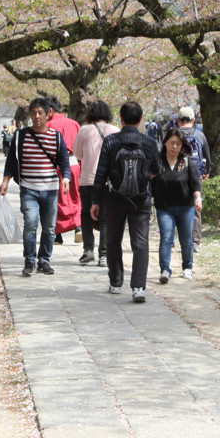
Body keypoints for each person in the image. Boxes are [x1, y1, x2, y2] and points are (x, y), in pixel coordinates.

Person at [90, 101, 161, 303]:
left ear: (120, 118)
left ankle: (115, 282)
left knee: (113, 240)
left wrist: (95, 200)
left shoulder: (111, 141)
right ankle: (138, 287)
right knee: (141, 242)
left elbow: (101, 172)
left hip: (114, 198)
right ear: (140, 120)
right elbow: (157, 168)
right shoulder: (148, 142)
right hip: (141, 200)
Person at [0, 98, 71, 276]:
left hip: (51, 189)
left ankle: (44, 260)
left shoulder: (56, 136)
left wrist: (66, 178)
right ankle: (29, 260)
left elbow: (64, 161)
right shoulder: (21, 136)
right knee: (30, 224)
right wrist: (5, 181)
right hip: (28, 189)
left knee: (49, 228)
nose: (36, 116)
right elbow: (11, 161)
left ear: (48, 114)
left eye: (40, 113)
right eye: (33, 113)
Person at [153, 128, 202, 284]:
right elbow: (150, 182)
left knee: (186, 239)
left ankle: (187, 267)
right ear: (165, 142)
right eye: (172, 143)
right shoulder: (158, 162)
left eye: (178, 144)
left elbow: (195, 183)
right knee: (166, 238)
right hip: (164, 207)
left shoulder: (186, 162)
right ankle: (165, 269)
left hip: (185, 206)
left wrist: (198, 198)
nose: (175, 147)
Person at [73, 100, 119, 267]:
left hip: (87, 179)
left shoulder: (84, 130)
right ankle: (104, 254)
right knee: (106, 217)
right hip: (108, 182)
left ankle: (88, 250)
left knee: (85, 214)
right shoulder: (115, 131)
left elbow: (78, 154)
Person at [45, 98, 82, 244]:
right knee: (76, 197)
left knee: (56, 200)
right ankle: (78, 227)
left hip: (55, 167)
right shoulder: (74, 123)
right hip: (74, 165)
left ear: (50, 110)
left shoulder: (47, 125)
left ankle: (57, 234)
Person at [176, 107, 210, 253]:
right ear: (193, 120)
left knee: (174, 208)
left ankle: (172, 240)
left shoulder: (174, 135)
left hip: (176, 177)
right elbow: (208, 157)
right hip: (196, 176)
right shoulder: (200, 135)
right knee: (196, 208)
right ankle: (195, 242)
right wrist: (206, 171)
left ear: (178, 120)